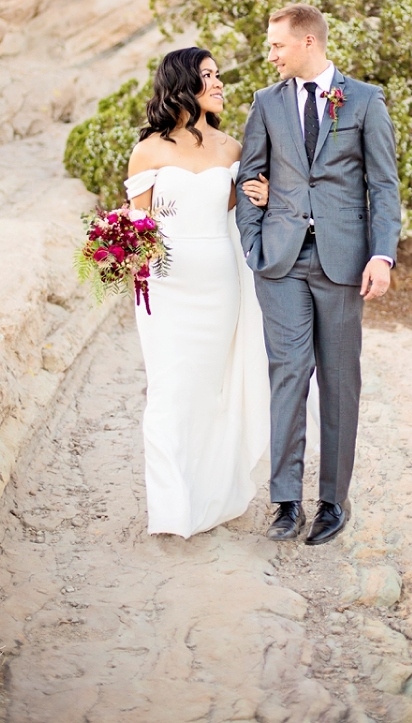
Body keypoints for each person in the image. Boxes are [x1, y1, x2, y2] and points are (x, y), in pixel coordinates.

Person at [236, 4, 401, 545]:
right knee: (287, 375)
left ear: (308, 42)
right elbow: (249, 178)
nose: (271, 54)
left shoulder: (365, 100)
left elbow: (384, 186)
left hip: (343, 263)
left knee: (338, 379)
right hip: (280, 264)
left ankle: (332, 499)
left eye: (278, 45)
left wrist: (382, 255)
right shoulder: (264, 103)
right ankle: (285, 501)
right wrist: (255, 243)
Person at [124, 47, 270, 537]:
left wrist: (265, 196)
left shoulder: (232, 148)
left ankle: (209, 492)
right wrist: (122, 255)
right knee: (169, 389)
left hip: (219, 283)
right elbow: (136, 228)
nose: (219, 83)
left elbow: (239, 211)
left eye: (218, 74)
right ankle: (170, 509)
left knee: (209, 391)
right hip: (165, 288)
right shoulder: (148, 151)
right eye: (208, 75)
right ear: (184, 83)